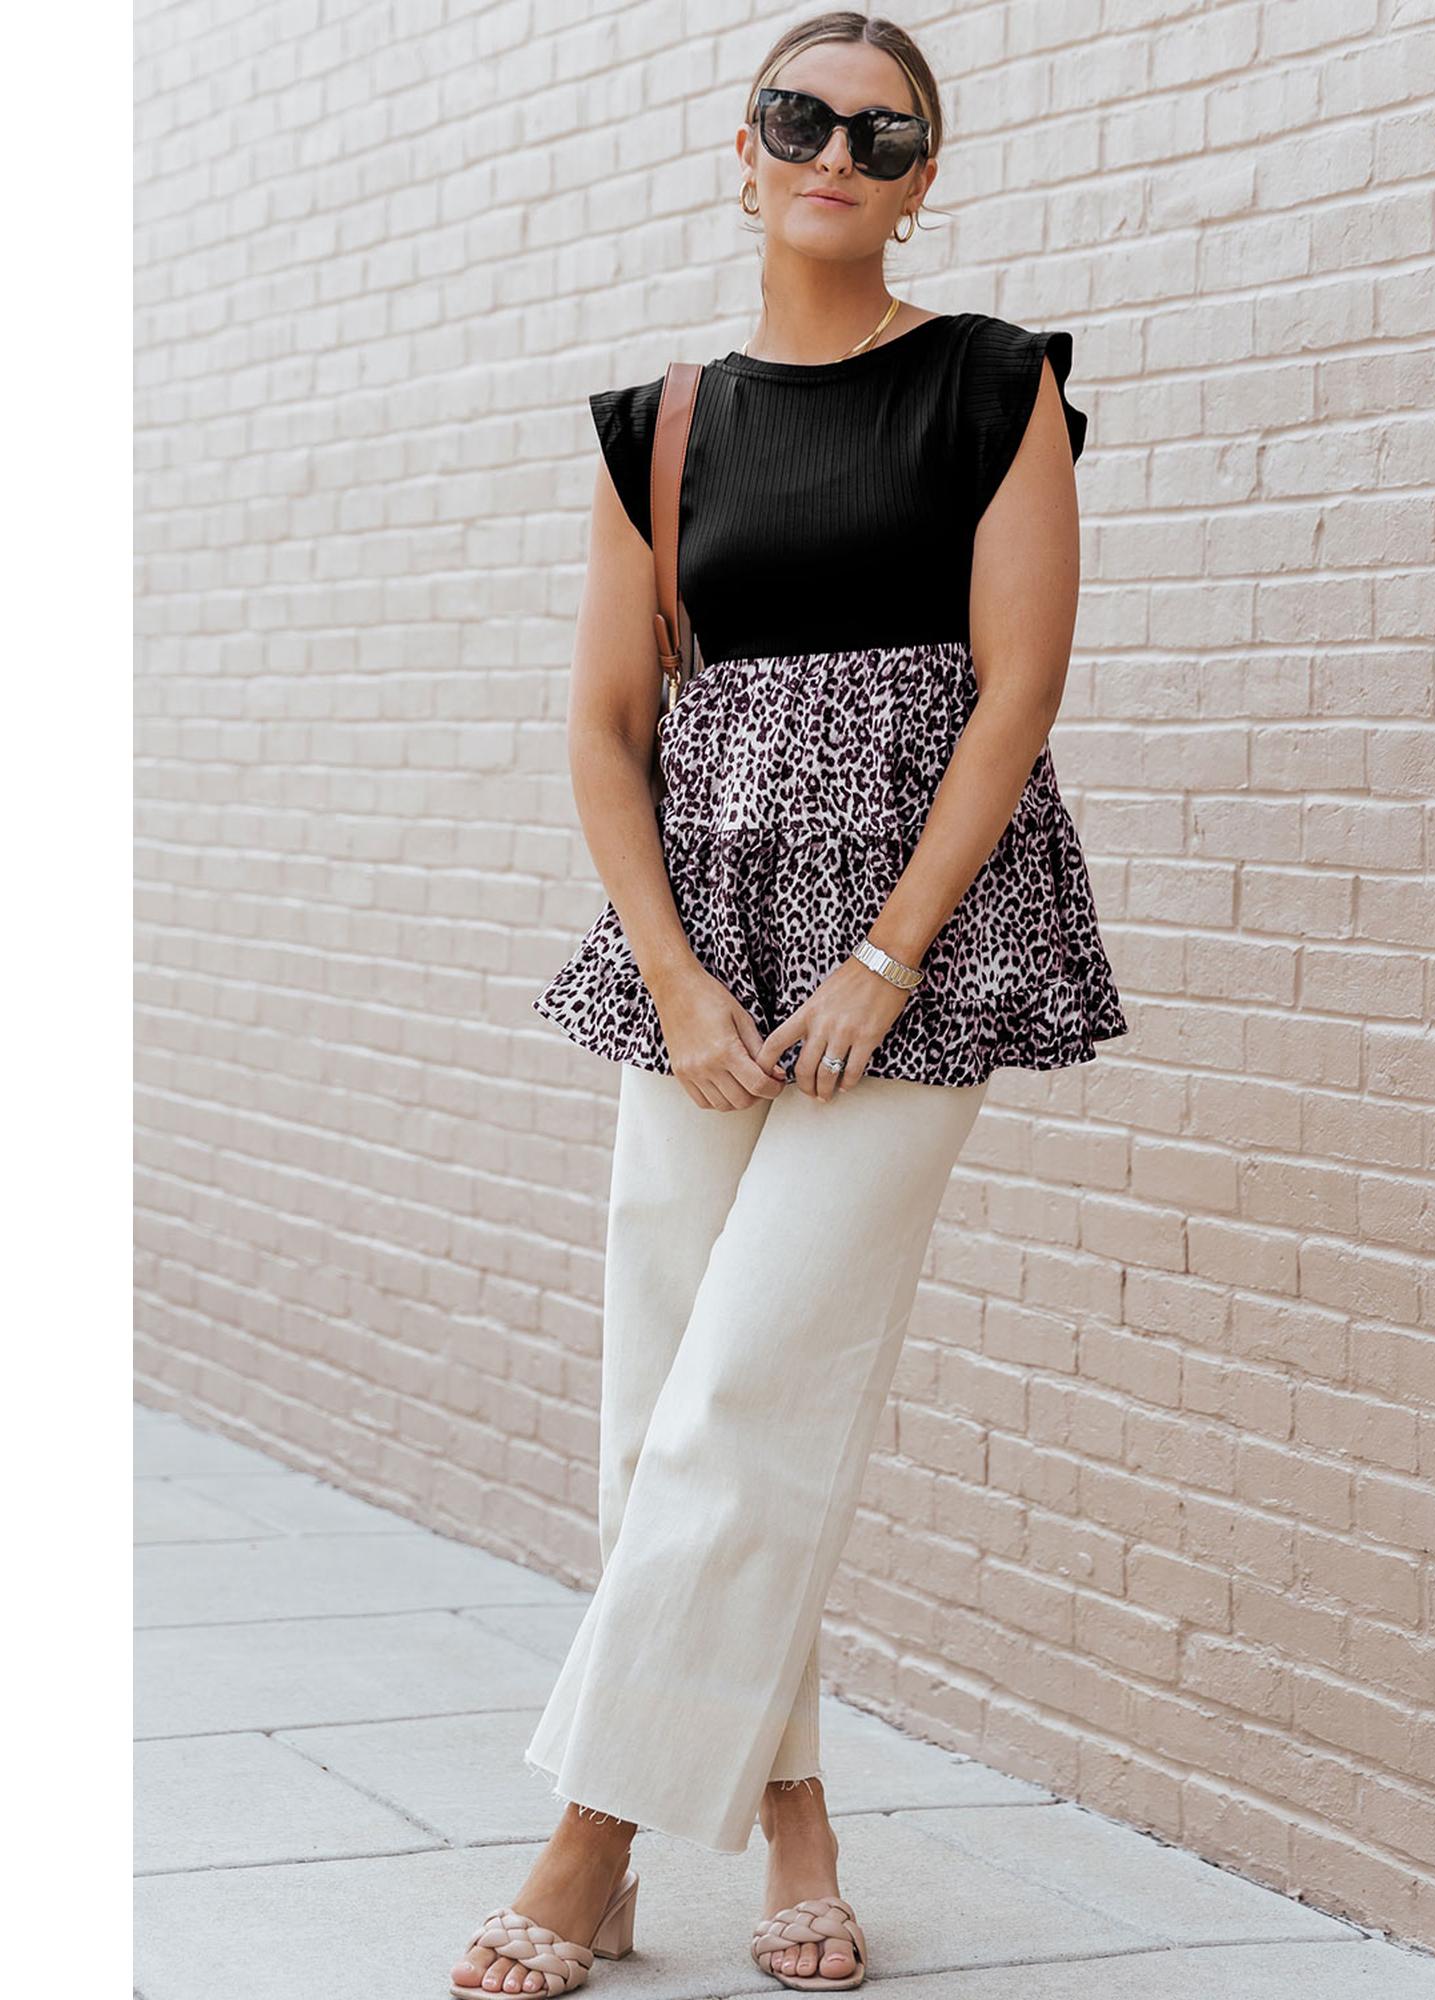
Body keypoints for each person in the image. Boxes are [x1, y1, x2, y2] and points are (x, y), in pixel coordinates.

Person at [450, 12, 1127, 1996]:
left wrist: (881, 957)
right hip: (701, 952)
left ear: (925, 178)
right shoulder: (654, 427)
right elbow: (605, 724)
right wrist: (674, 980)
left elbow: (1014, 692)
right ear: (737, 151)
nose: (836, 150)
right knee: (669, 1403)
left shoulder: (991, 385)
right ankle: (795, 1815)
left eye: (881, 132)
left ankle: (588, 1843)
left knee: (751, 1391)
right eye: (798, 117)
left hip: (917, 950)